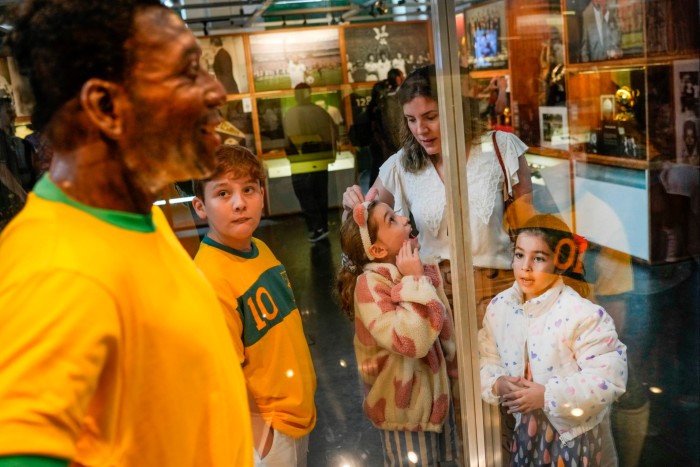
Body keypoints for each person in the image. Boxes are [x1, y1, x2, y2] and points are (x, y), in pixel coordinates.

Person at [0, 1, 253, 466]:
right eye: (188, 72)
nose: (216, 91)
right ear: (106, 106)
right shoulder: (56, 270)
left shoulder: (139, 216)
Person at [342, 65, 535, 322]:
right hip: (434, 299)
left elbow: (530, 228)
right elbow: (365, 226)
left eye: (430, 116)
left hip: (499, 293)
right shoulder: (402, 165)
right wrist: (350, 205)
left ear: (455, 109)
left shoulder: (500, 148)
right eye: (411, 120)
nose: (420, 129)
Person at [192, 145, 317, 467]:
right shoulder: (210, 278)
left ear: (262, 193)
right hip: (269, 432)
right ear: (200, 207)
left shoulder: (259, 247)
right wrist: (264, 440)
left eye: (248, 189)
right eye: (223, 193)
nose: (239, 203)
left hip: (295, 414)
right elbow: (222, 374)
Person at [478, 214, 628, 466]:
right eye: (519, 255)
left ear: (559, 262)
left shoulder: (583, 315)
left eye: (538, 258)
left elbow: (607, 379)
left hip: (573, 439)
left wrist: (548, 396)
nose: (525, 266)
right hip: (524, 435)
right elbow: (485, 358)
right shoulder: (499, 307)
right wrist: (497, 383)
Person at [336, 191, 459, 466]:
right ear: (377, 250)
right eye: (391, 220)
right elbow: (411, 341)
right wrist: (415, 280)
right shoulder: (370, 286)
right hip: (404, 414)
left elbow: (443, 327)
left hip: (433, 403)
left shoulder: (414, 268)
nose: (404, 219)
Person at [283, 83, 338, 242]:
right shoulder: (320, 111)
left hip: (300, 163)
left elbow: (288, 141)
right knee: (320, 195)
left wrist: (292, 156)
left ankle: (317, 228)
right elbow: (332, 133)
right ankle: (322, 227)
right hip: (320, 160)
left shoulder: (291, 113)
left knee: (306, 196)